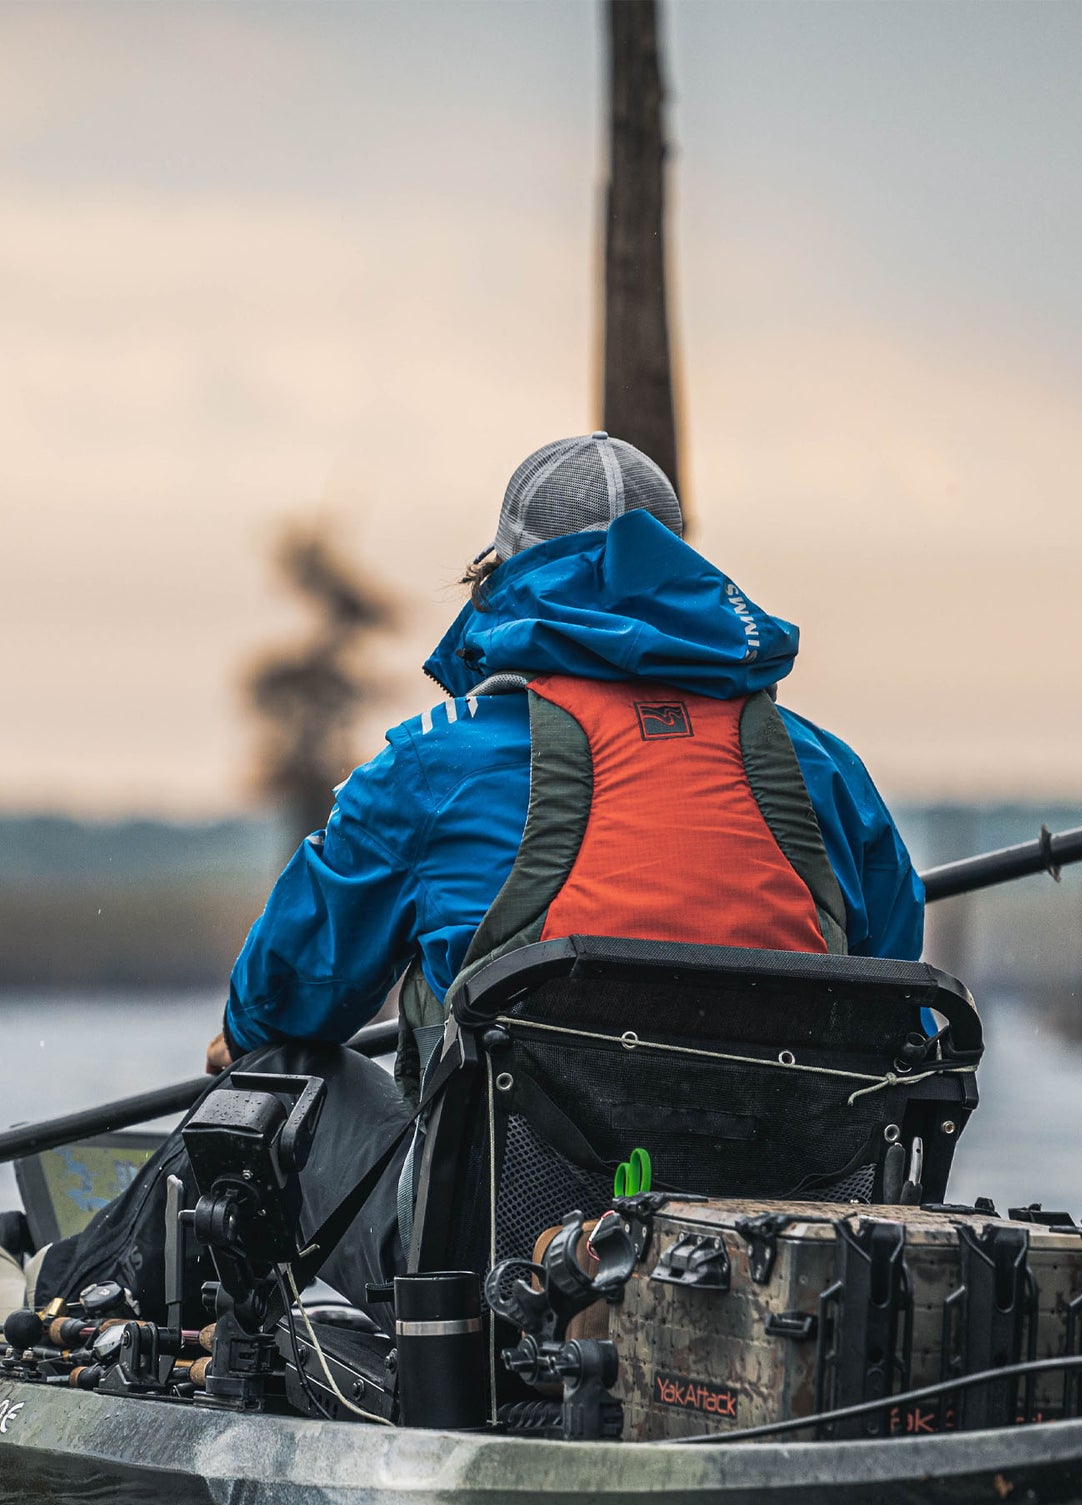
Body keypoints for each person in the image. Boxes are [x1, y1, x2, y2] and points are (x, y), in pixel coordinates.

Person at [31, 432, 924, 1319]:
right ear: (683, 570)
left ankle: (56, 1300)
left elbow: (289, 1000)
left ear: (498, 575)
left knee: (280, 1073)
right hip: (785, 1283)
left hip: (491, 1284)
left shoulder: (434, 761)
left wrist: (243, 1042)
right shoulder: (825, 771)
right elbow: (897, 1018)